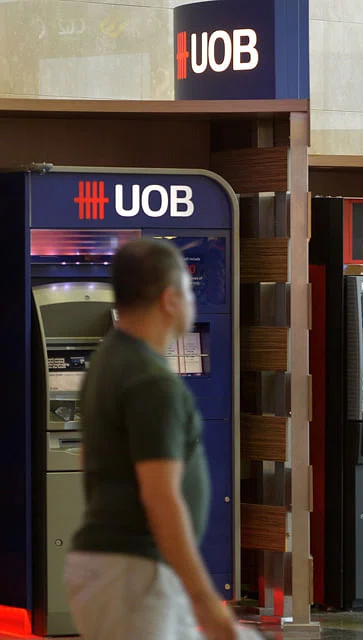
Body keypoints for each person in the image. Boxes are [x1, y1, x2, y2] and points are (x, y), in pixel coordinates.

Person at [64, 239, 256, 640]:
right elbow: (161, 498)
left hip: (118, 569)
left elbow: (89, 458)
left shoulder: (108, 361)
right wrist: (209, 607)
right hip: (135, 574)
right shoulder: (151, 381)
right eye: (188, 292)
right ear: (170, 299)